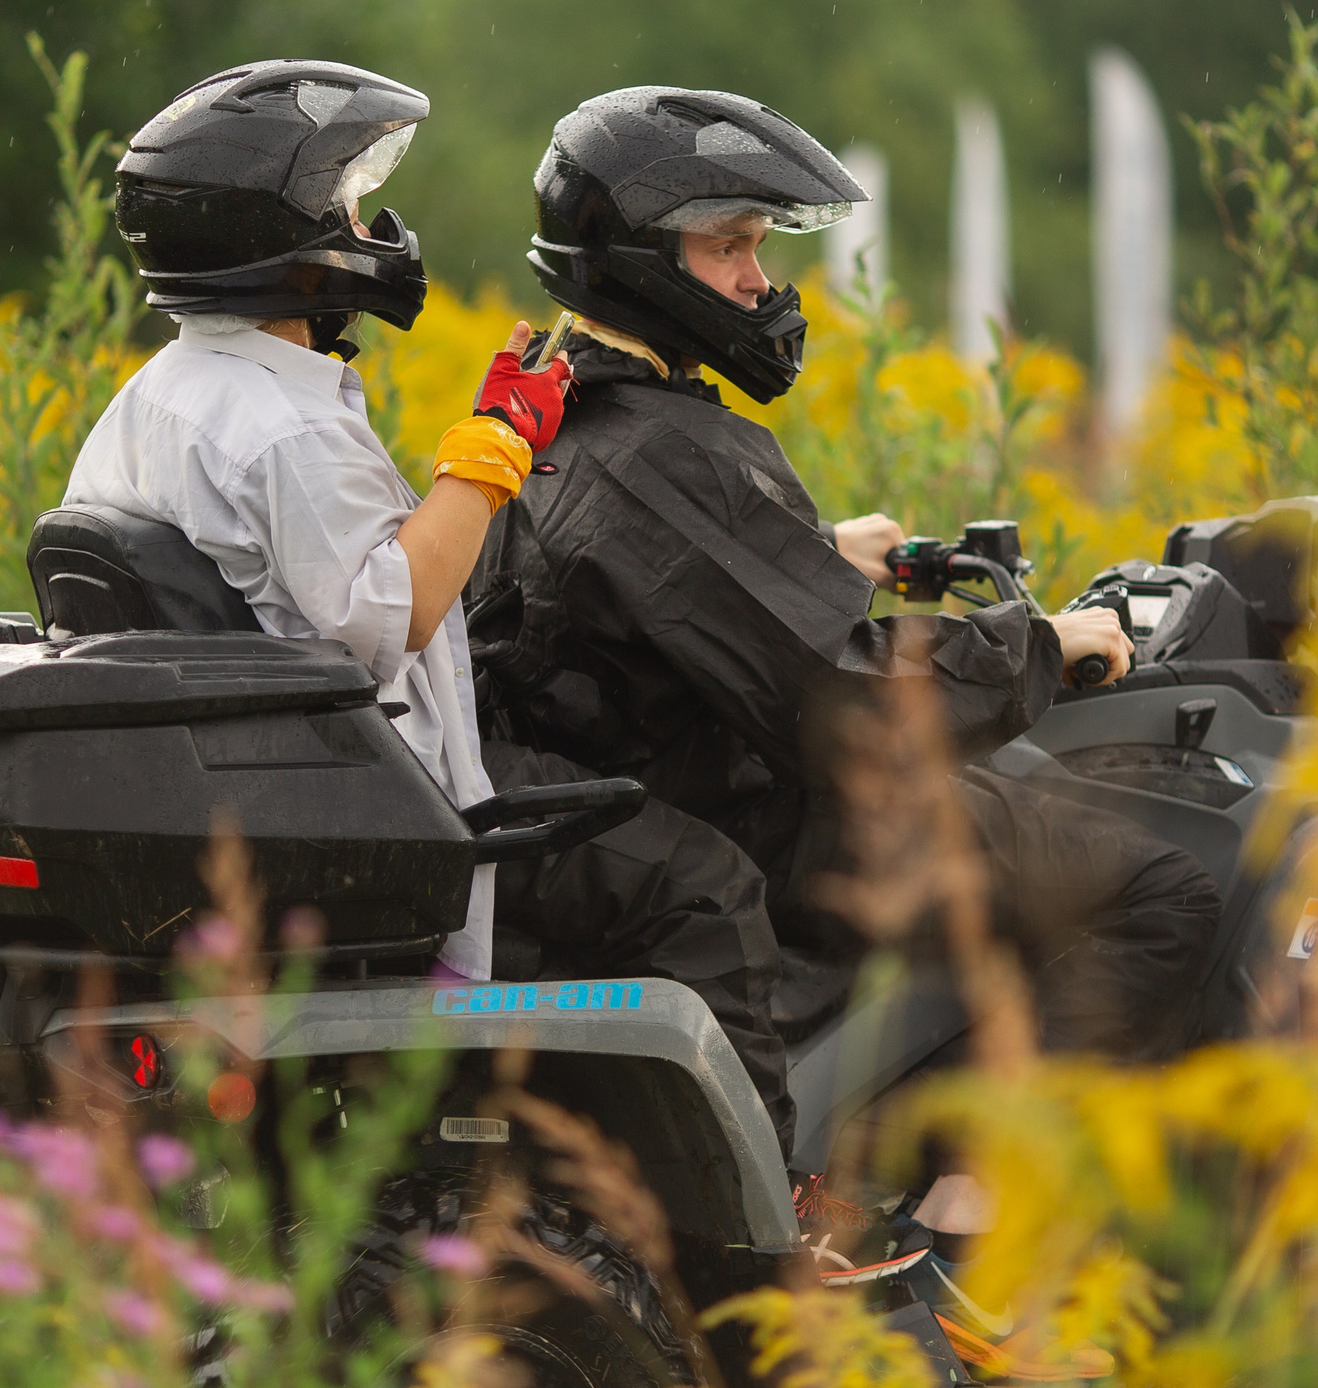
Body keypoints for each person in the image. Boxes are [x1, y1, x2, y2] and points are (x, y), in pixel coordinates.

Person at [63, 60, 796, 1151]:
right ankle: (760, 1206)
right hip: (381, 793)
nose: (374, 229)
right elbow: (385, 616)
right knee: (702, 885)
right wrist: (492, 450)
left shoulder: (164, 392)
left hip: (259, 779)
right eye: (353, 206)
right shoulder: (282, 427)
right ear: (285, 233)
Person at [469, 86, 1222, 1061]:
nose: (758, 281)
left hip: (650, 780)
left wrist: (814, 548)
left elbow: (655, 580)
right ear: (641, 257)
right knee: (1163, 893)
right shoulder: (673, 453)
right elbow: (850, 702)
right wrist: (1039, 643)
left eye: (758, 246)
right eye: (728, 247)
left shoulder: (554, 400)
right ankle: (1001, 1155)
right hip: (747, 806)